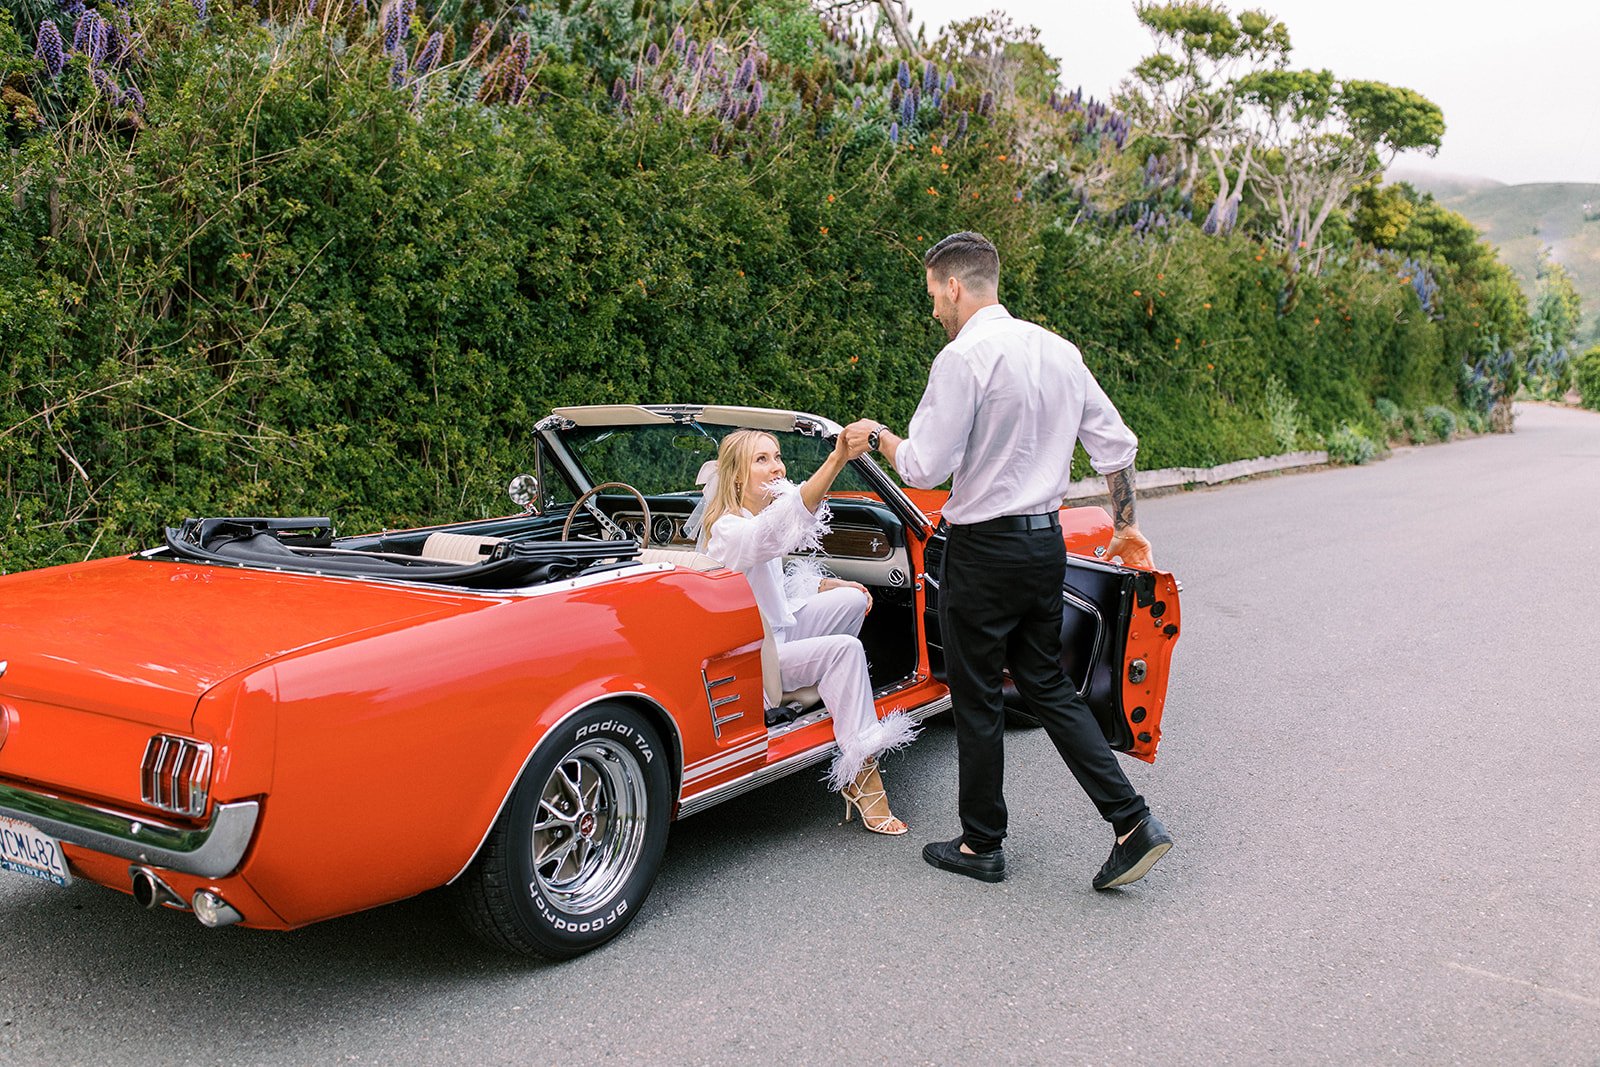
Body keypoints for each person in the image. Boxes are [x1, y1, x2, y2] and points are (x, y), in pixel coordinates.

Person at [843, 230, 1173, 888]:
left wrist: (877, 436)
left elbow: (924, 465)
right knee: (1047, 682)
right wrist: (1129, 526)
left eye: (934, 295)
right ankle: (1133, 821)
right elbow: (1115, 445)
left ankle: (981, 844)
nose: (934, 308)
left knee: (977, 694)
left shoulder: (963, 358)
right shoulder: (1058, 351)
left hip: (983, 550)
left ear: (956, 287)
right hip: (1043, 544)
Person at [687, 428, 920, 834]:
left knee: (851, 600)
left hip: (774, 639)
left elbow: (771, 589)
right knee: (846, 650)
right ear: (737, 477)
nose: (776, 466)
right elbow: (777, 533)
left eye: (776, 456)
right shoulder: (729, 529)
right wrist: (837, 459)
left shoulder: (751, 518)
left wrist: (828, 585)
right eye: (761, 459)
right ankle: (861, 776)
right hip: (756, 664)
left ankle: (825, 696)